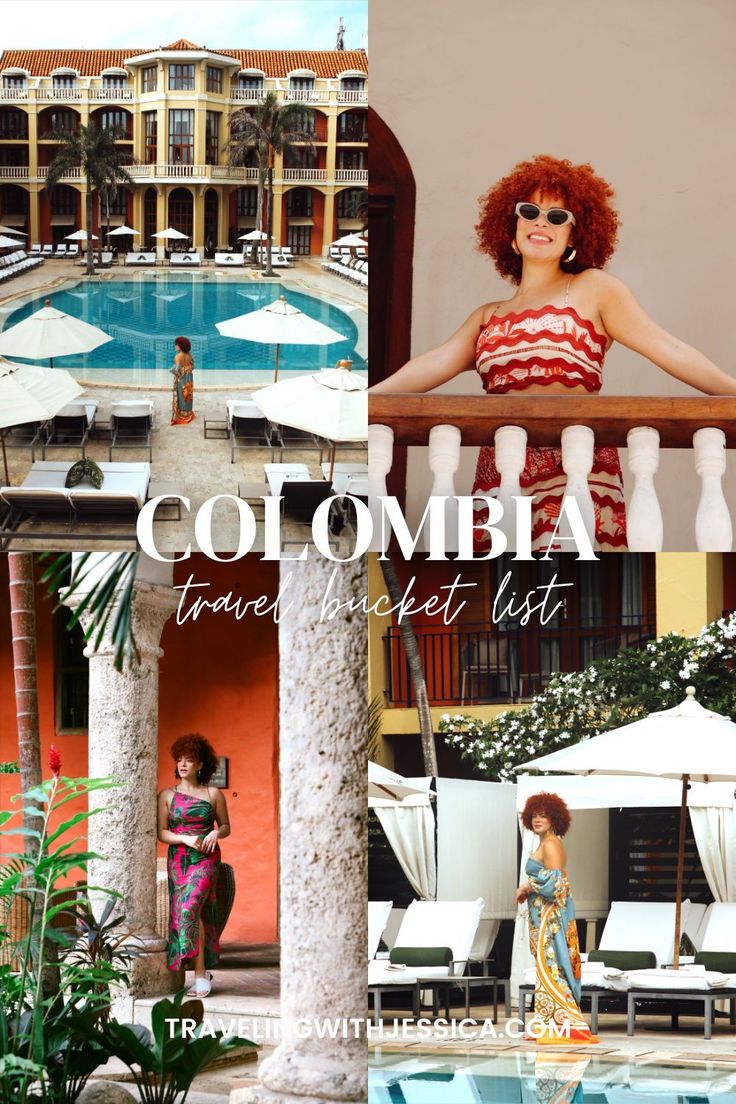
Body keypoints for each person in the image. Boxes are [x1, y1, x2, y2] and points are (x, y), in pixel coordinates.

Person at [370, 154, 736, 551]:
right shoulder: (487, 316)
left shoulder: (594, 288)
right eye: (530, 211)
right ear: (511, 229)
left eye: (558, 217)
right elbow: (434, 363)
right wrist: (366, 401)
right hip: (504, 470)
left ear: (574, 236)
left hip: (576, 464)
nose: (542, 222)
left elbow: (670, 348)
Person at [515, 791, 598, 1045]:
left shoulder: (551, 844)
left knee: (553, 967)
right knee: (547, 968)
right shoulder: (545, 842)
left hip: (551, 917)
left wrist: (527, 886)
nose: (538, 820)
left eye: (544, 815)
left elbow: (556, 883)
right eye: (535, 815)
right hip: (543, 916)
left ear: (555, 819)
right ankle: (547, 1023)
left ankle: (565, 1023)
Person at [157, 733, 231, 997]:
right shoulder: (166, 795)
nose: (183, 764)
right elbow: (162, 833)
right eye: (180, 760)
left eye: (189, 760)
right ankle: (201, 971)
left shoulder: (213, 794)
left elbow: (225, 827)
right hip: (179, 860)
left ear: (201, 765)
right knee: (192, 913)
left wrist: (215, 833)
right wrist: (185, 838)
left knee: (190, 909)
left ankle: (199, 975)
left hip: (206, 858)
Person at [171, 336, 195, 425]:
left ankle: (182, 414)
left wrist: (171, 370)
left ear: (180, 346)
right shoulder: (189, 355)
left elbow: (176, 370)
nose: (175, 346)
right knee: (188, 394)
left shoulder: (178, 356)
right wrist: (187, 369)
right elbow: (193, 366)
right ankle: (188, 412)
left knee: (181, 395)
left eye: (176, 345)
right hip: (189, 378)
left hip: (181, 379)